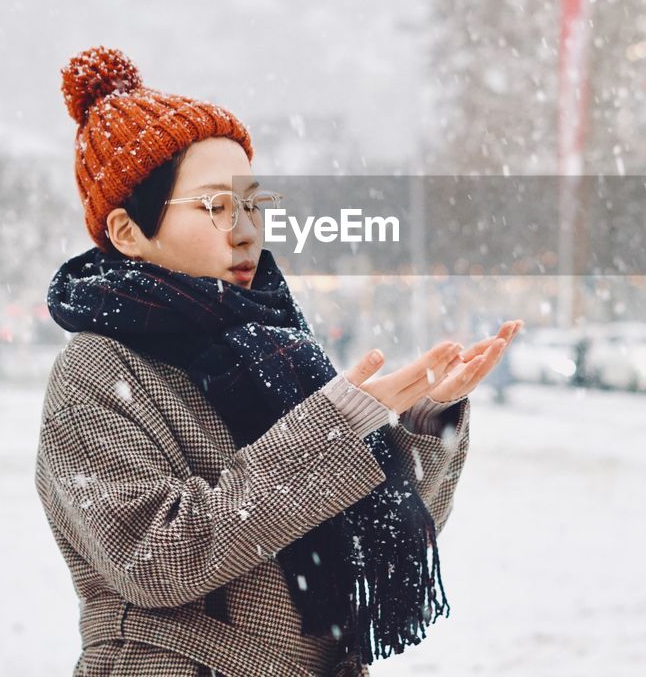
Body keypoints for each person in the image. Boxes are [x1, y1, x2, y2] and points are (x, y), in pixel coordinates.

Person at [34, 47, 524, 676]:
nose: (245, 231)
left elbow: (368, 524)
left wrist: (429, 421)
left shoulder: (270, 346)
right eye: (214, 207)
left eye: (252, 204)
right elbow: (155, 558)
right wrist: (334, 428)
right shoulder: (98, 370)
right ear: (128, 232)